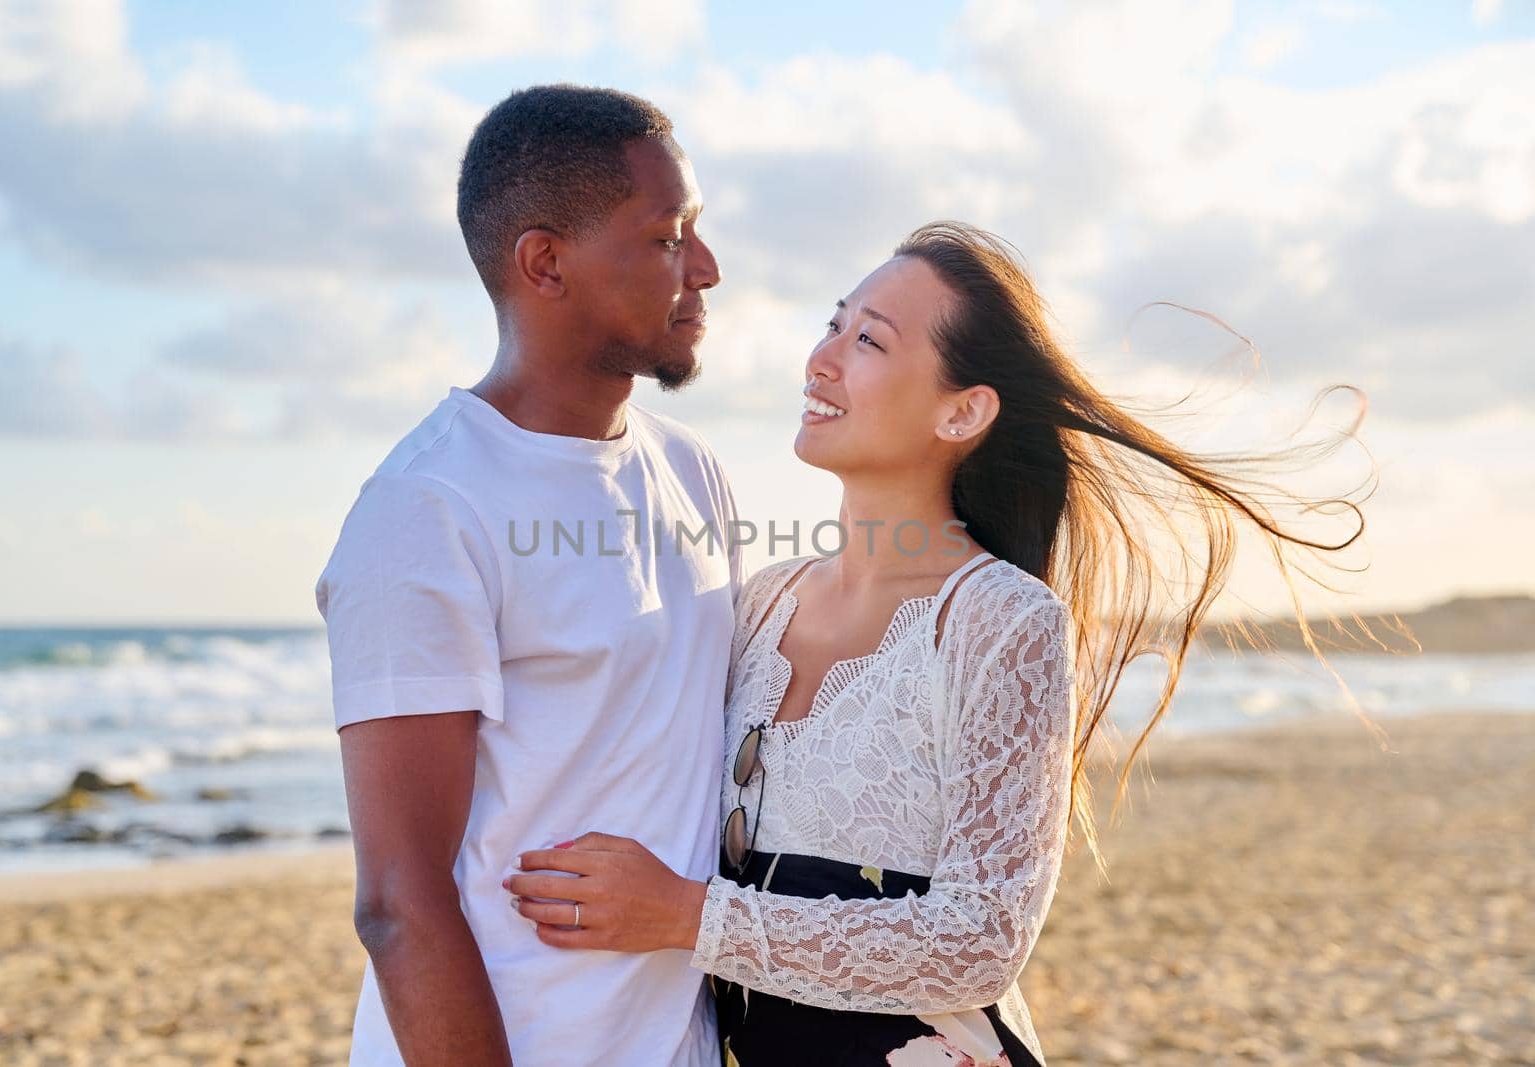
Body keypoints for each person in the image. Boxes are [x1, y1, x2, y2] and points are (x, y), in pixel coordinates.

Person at [505, 222, 1369, 1066]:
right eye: (833, 323)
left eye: (870, 341)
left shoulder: (1001, 620)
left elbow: (981, 939)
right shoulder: (762, 602)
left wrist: (687, 917)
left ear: (963, 411)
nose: (823, 357)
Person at [315, 85, 737, 1067]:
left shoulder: (691, 471)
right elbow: (397, 901)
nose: (706, 269)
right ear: (544, 261)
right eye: (668, 236)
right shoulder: (425, 510)